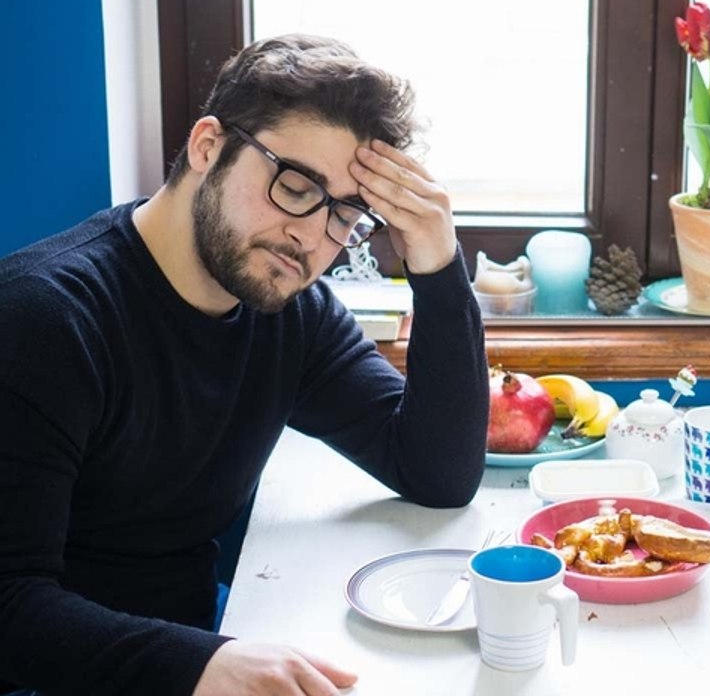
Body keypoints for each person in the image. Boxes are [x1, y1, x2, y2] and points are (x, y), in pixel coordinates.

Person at [0, 35, 489, 695]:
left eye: (346, 215)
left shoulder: (291, 311)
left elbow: (436, 472)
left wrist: (435, 264)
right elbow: (8, 606)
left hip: (198, 648)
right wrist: (200, 663)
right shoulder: (42, 319)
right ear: (208, 147)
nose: (314, 237)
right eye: (295, 187)